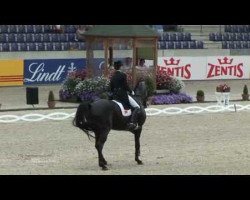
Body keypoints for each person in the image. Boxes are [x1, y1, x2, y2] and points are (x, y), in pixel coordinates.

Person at [110, 60, 141, 131]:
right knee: (137, 107)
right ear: (120, 67)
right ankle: (132, 122)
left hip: (115, 96)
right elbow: (125, 85)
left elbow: (111, 87)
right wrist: (131, 91)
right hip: (122, 95)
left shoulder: (113, 76)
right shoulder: (123, 75)